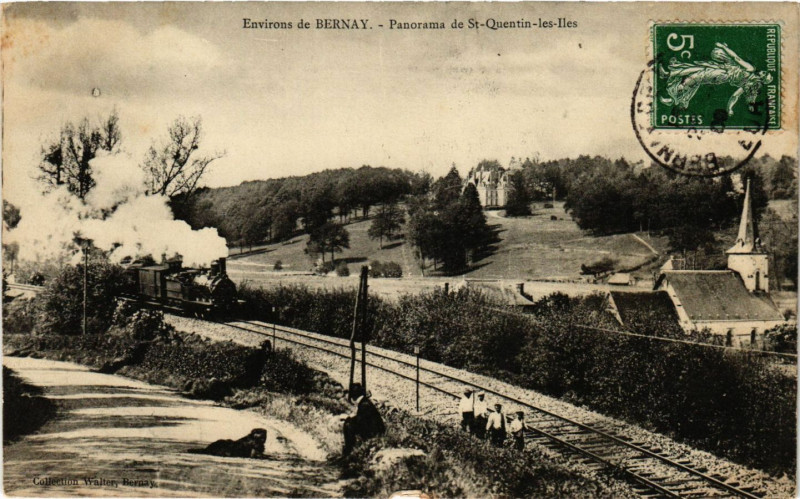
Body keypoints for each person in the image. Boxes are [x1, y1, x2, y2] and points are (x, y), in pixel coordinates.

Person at [342, 383, 385, 456]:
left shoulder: (364, 405)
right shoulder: (364, 402)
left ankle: (349, 451)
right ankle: (349, 450)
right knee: (349, 421)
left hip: (375, 432)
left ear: (353, 397)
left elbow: (361, 423)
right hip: (375, 430)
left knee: (348, 424)